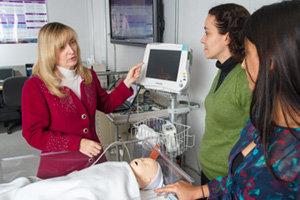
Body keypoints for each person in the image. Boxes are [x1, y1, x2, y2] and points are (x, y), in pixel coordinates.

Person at [155, 1, 300, 199]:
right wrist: (200, 191)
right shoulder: (260, 112)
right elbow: (239, 176)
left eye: (207, 32)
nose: (202, 39)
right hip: (217, 180)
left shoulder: (286, 162)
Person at [21, 22, 143, 178]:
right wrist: (77, 143)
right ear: (49, 52)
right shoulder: (36, 86)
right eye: (61, 47)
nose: (71, 50)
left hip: (94, 160)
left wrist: (127, 82)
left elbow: (106, 104)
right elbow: (34, 134)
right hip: (60, 167)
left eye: (72, 42)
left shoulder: (88, 76)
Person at [198, 4, 251, 185]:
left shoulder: (244, 79)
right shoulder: (224, 69)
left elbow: (261, 135)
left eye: (208, 32)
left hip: (226, 180)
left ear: (227, 37)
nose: (202, 39)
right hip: (208, 171)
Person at [0, 158, 163, 200]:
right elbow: (86, 177)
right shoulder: (118, 168)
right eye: (144, 159)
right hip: (71, 182)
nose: (141, 160)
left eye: (146, 164)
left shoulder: (124, 183)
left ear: (147, 180)